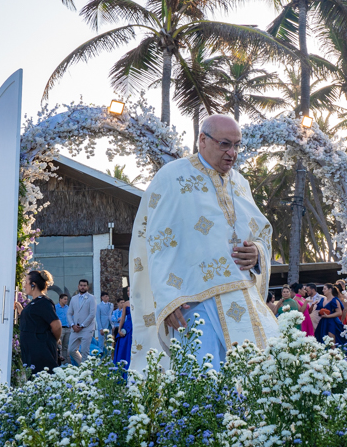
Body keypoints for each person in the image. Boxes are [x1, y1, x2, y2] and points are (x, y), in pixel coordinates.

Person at [128, 115, 279, 371]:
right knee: (202, 384)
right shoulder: (173, 177)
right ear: (202, 140)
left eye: (237, 145)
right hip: (193, 301)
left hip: (242, 298)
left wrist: (257, 253)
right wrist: (167, 299)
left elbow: (261, 232)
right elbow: (156, 241)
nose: (232, 153)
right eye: (224, 144)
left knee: (263, 376)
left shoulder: (240, 183)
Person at [16, 269, 61, 374]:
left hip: (41, 351)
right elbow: (33, 320)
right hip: (32, 351)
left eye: (26, 283)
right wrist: (20, 309)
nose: (24, 286)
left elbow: (57, 326)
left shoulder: (44, 303)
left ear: (33, 284)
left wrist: (54, 340)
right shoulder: (34, 303)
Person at [68, 280, 97, 365]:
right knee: (71, 350)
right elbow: (69, 313)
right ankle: (83, 366)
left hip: (86, 329)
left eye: (84, 285)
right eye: (81, 285)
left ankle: (85, 371)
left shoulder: (91, 298)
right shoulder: (74, 298)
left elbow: (92, 314)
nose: (83, 287)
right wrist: (73, 325)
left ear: (87, 287)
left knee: (85, 351)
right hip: (75, 329)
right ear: (78, 286)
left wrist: (82, 326)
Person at [114, 298, 132, 372]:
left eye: (129, 290)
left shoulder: (141, 301)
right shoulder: (126, 303)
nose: (128, 292)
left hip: (136, 325)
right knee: (123, 346)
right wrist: (119, 329)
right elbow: (123, 317)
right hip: (127, 325)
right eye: (127, 291)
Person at [55, 293, 71, 363]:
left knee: (65, 346)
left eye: (67, 299)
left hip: (67, 328)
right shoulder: (55, 307)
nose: (66, 301)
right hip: (60, 329)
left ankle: (65, 362)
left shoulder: (68, 308)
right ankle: (59, 361)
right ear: (60, 299)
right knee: (59, 346)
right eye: (64, 299)